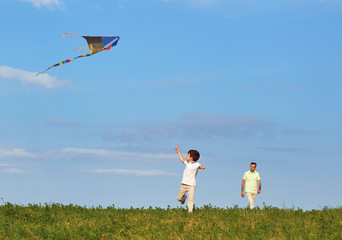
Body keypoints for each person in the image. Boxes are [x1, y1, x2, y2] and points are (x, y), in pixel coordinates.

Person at [175, 146, 206, 213]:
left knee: (191, 199)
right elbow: (182, 160)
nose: (186, 156)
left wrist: (202, 167)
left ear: (191, 157)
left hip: (191, 185)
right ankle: (184, 198)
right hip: (183, 184)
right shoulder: (187, 163)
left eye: (188, 155)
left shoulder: (196, 164)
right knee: (179, 198)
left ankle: (190, 212)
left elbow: (200, 166)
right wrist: (178, 152)